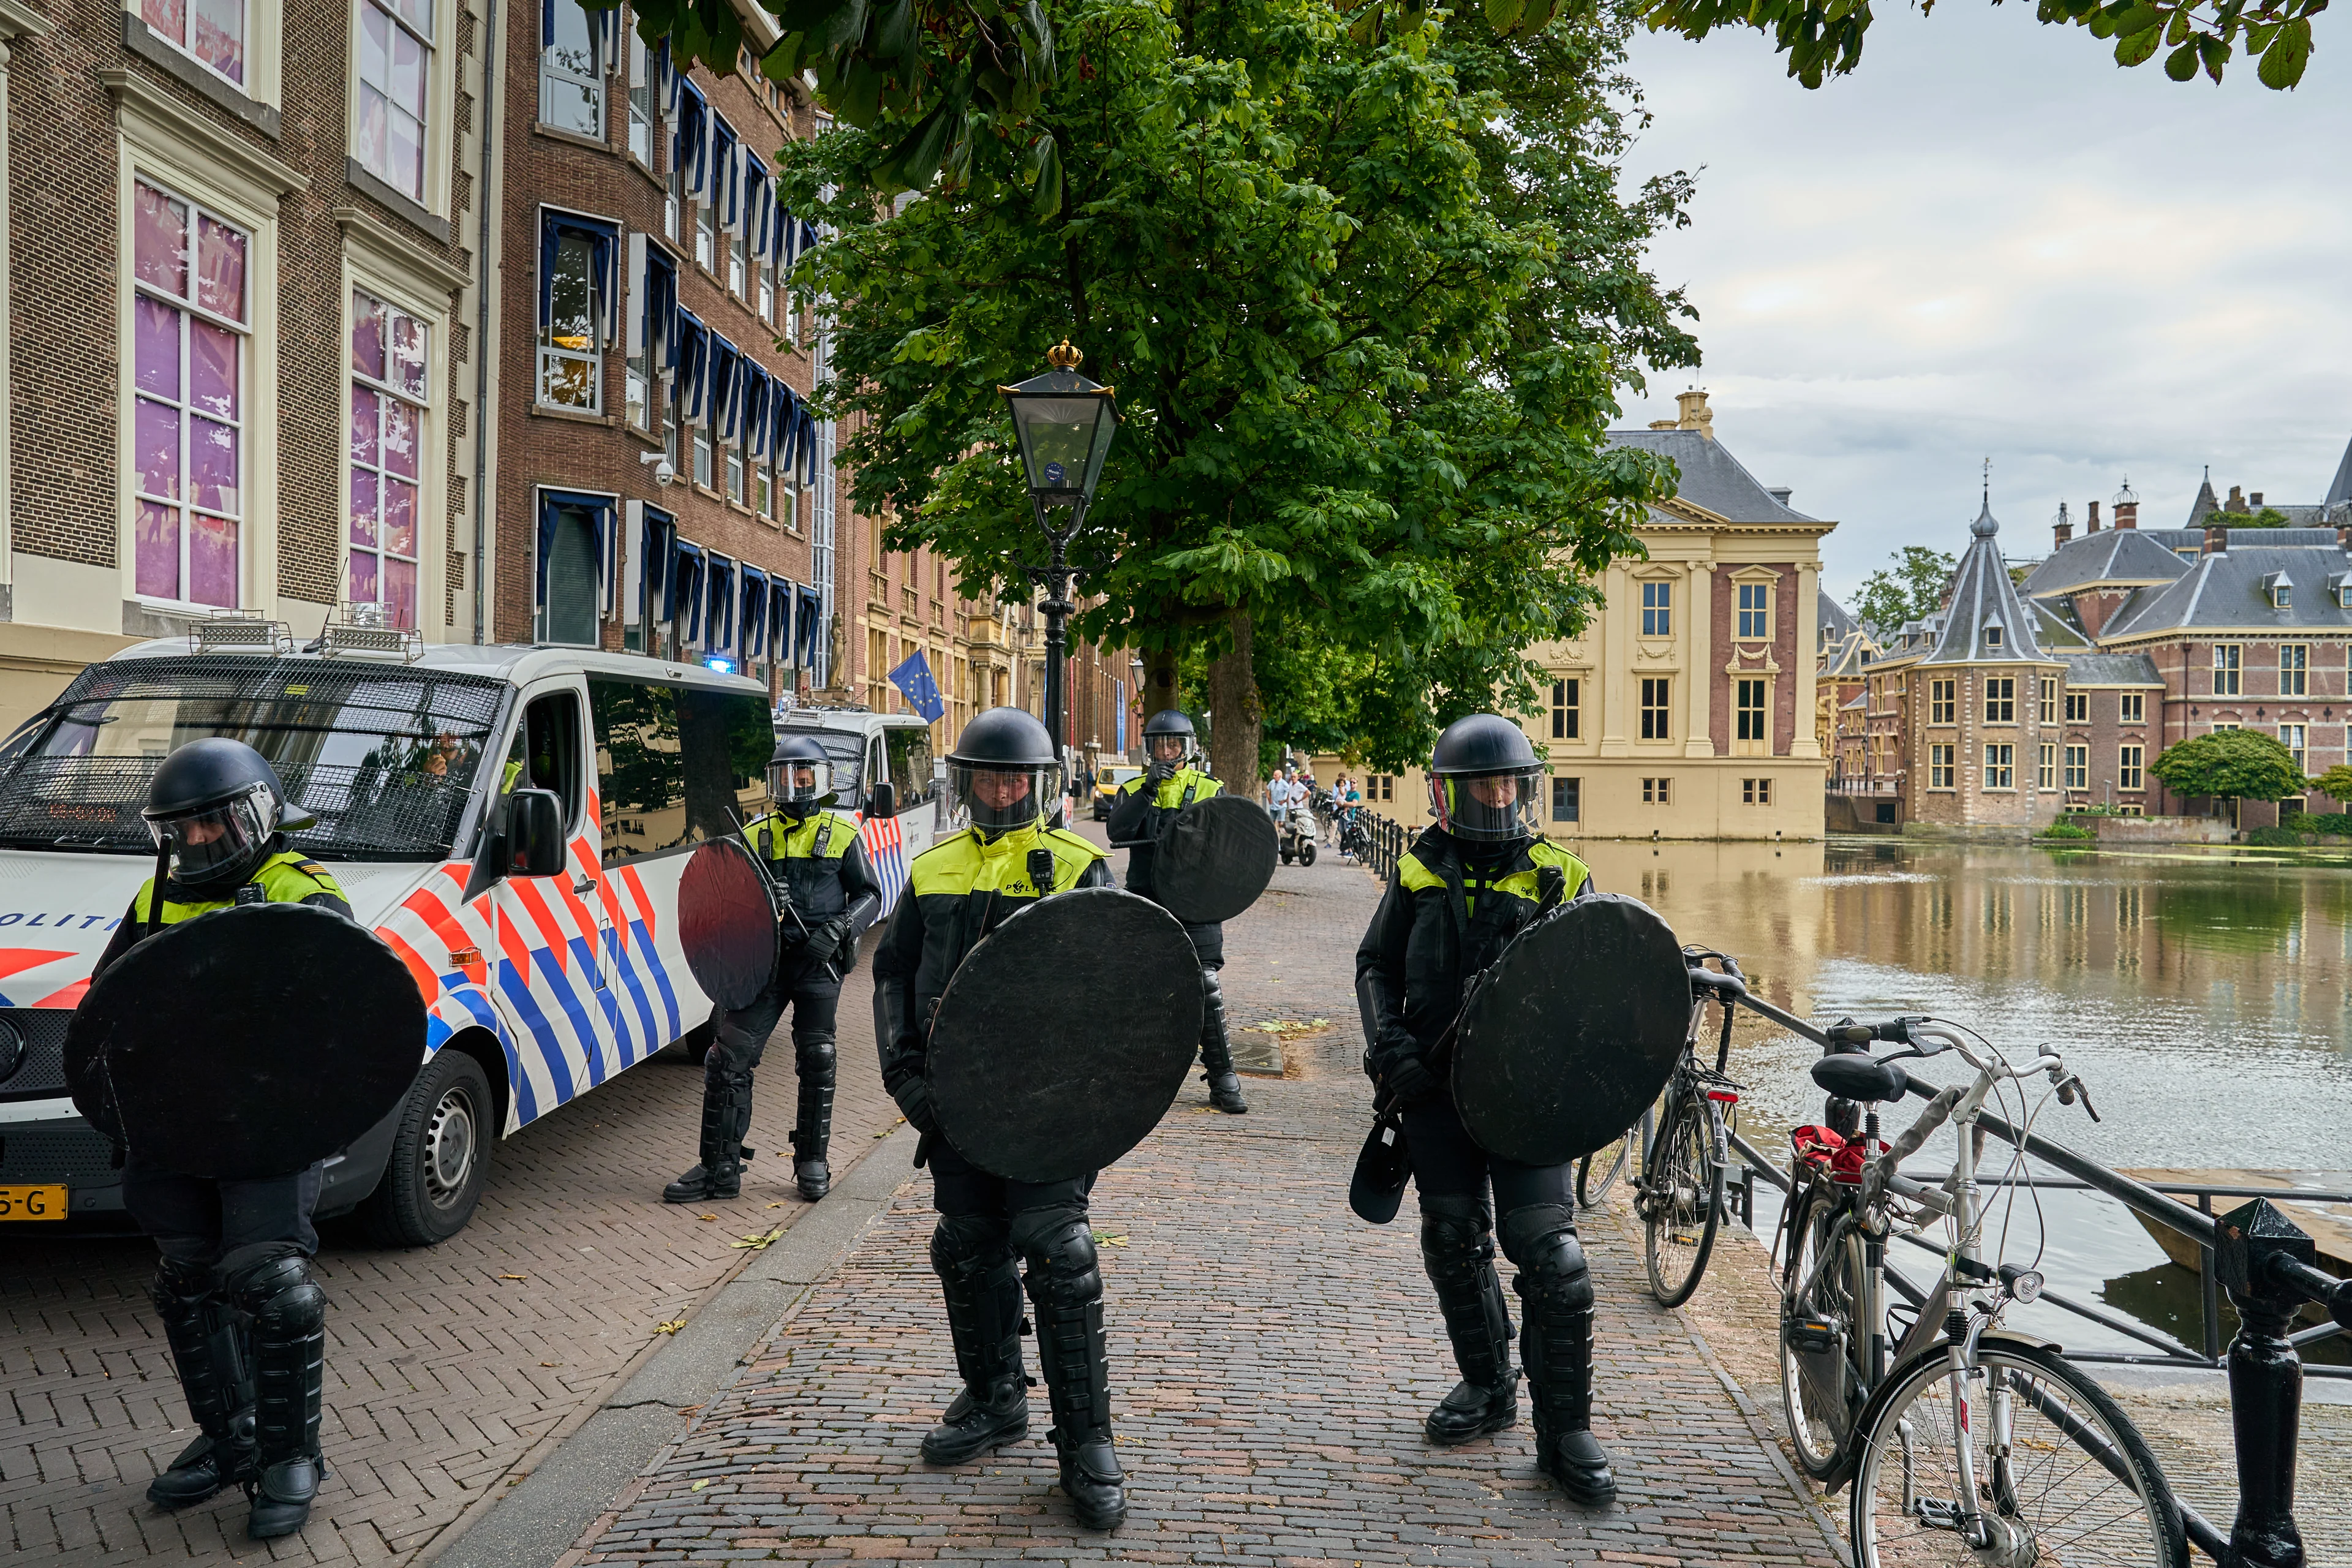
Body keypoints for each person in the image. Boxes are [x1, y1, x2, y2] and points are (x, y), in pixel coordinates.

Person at [872, 707, 1133, 1531]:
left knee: (1061, 1254)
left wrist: (1091, 1105)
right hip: (955, 1106)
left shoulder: (1081, 866)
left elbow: (1118, 1000)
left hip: (1048, 1113)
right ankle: (994, 1400)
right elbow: (892, 973)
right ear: (968, 783)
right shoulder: (935, 868)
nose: (1004, 788)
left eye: (1017, 777)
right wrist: (905, 1078)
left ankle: (1087, 1441)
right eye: (989, 776)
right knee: (967, 1244)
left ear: (1041, 783)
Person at [1351, 714, 1616, 1505]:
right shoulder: (1418, 872)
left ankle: (1566, 1430)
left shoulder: (1560, 874)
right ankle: (1488, 1385)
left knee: (1553, 1258)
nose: (1499, 796)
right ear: (1450, 792)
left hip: (1528, 1104)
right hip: (1433, 1093)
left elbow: (1596, 997)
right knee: (1451, 1239)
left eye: (1509, 783)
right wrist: (1388, 1048)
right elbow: (1375, 965)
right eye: (1483, 784)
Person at [91, 739, 352, 1539]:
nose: (199, 843)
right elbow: (111, 1003)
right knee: (189, 1280)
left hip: (267, 1126)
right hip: (177, 1122)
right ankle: (231, 1435)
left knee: (269, 1282)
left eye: (215, 825)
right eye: (184, 830)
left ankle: (289, 1455)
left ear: (260, 817)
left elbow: (343, 1011)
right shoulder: (156, 898)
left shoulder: (300, 890)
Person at [666, 734, 880, 1204]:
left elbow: (872, 896)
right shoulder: (757, 835)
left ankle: (811, 1161)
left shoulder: (843, 835)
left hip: (819, 963)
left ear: (820, 780)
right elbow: (729, 900)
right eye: (787, 775)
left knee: (818, 1058)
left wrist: (841, 928)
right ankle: (719, 1167)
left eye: (805, 774)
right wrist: (764, 902)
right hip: (766, 964)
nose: (797, 783)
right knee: (727, 1057)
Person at [1104, 709, 1248, 1115]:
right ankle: (1132, 1075)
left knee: (1205, 986)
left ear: (1187, 747)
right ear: (1149, 749)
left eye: (1173, 744)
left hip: (1195, 903)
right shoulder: (1132, 787)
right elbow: (1118, 832)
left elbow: (1227, 847)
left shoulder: (1210, 788)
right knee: (1140, 987)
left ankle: (1222, 1075)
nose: (1166, 751)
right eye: (1159, 745)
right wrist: (1148, 792)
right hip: (1147, 900)